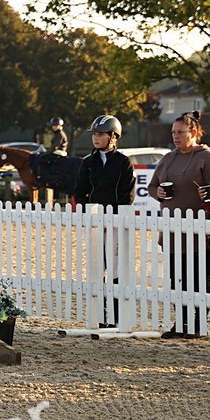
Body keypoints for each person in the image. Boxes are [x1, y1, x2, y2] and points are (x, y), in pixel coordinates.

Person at [148, 111, 210, 339]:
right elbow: (152, 186)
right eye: (173, 132)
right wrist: (158, 192)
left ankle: (197, 323)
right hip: (172, 231)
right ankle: (180, 322)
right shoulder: (169, 157)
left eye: (180, 132)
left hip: (200, 233)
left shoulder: (206, 157)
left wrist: (207, 196)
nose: (176, 136)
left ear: (193, 132)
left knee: (199, 279)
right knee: (175, 279)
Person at [74, 115, 135, 327]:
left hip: (116, 223)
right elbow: (80, 192)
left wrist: (115, 218)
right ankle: (100, 316)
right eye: (95, 135)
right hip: (94, 224)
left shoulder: (123, 162)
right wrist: (86, 218)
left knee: (116, 271)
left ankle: (117, 318)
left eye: (101, 134)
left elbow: (127, 194)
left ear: (113, 137)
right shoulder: (88, 163)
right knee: (97, 270)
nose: (96, 138)